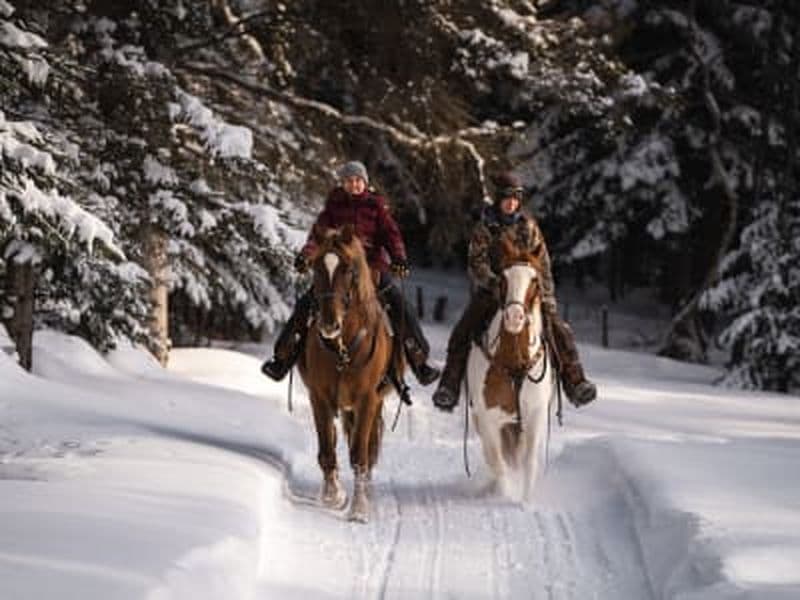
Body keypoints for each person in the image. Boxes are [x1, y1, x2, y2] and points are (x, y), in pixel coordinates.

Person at [261, 160, 440, 386]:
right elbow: (317, 238)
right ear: (343, 183)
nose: (354, 184)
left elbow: (391, 235)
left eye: (358, 180)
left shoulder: (376, 207)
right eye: (349, 180)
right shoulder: (332, 208)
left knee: (400, 305)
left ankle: (419, 362)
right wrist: (307, 256)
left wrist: (399, 258)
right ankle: (282, 359)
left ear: (365, 182)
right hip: (337, 272)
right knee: (305, 304)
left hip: (372, 269)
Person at [432, 172, 597, 410]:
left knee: (560, 330)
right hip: (494, 292)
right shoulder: (485, 227)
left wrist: (548, 297)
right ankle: (449, 387)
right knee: (462, 330)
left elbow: (544, 264)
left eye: (516, 198)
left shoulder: (529, 227)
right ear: (498, 199)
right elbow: (476, 263)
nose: (512, 203)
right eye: (507, 198)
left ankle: (575, 382)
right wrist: (493, 282)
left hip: (527, 293)